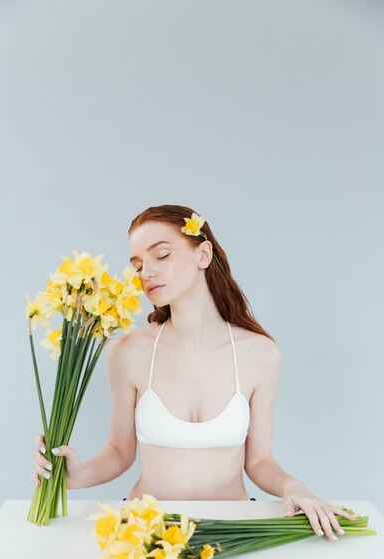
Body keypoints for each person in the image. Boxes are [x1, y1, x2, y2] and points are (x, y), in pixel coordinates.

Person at [32, 205, 356, 541]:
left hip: (233, 533)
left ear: (203, 254)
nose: (146, 273)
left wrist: (295, 487)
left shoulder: (260, 354)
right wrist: (80, 475)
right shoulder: (127, 352)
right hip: (144, 529)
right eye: (138, 265)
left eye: (161, 255)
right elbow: (119, 451)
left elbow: (259, 461)